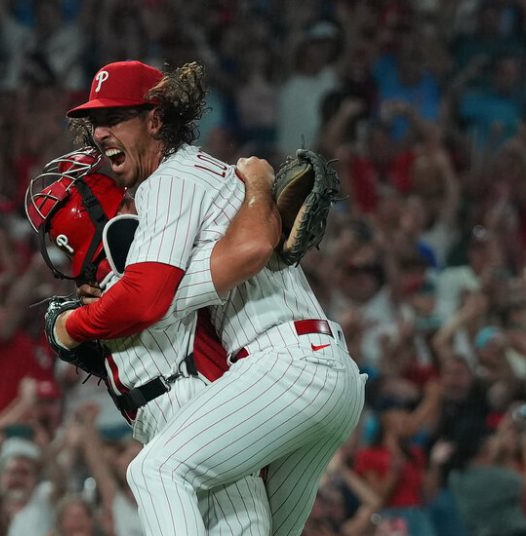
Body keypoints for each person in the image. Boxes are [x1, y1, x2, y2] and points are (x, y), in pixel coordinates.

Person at [50, 60, 366, 535]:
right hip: (331, 374)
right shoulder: (207, 174)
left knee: (155, 471)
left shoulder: (168, 180)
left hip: (285, 363)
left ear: (155, 120)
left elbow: (145, 299)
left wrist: (71, 326)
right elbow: (194, 278)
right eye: (96, 122)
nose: (99, 133)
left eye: (114, 119)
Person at [26, 148, 277, 533]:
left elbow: (64, 332)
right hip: (181, 419)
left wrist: (68, 321)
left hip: (192, 410)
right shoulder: (137, 278)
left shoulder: (124, 285)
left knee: (154, 473)